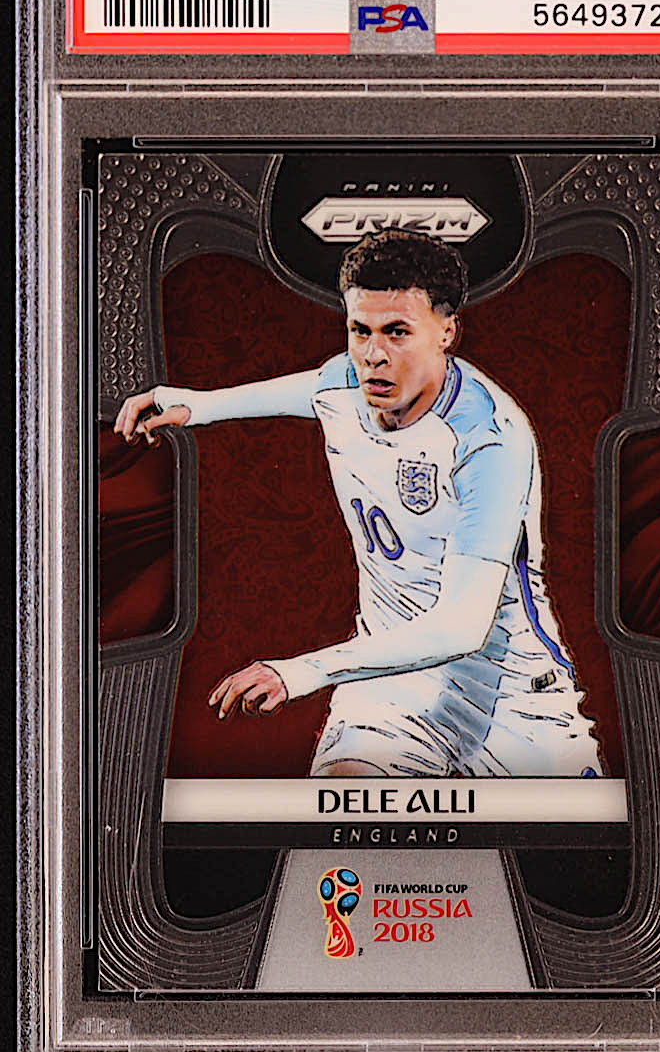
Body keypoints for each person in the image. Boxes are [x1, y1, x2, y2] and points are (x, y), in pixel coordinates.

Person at [114, 229, 602, 779]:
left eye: (397, 332)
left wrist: (300, 672)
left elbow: (461, 627)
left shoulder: (487, 439)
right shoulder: (346, 384)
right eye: (359, 331)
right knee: (345, 796)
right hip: (390, 687)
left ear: (447, 331)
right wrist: (196, 406)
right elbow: (308, 388)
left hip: (513, 700)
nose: (374, 356)